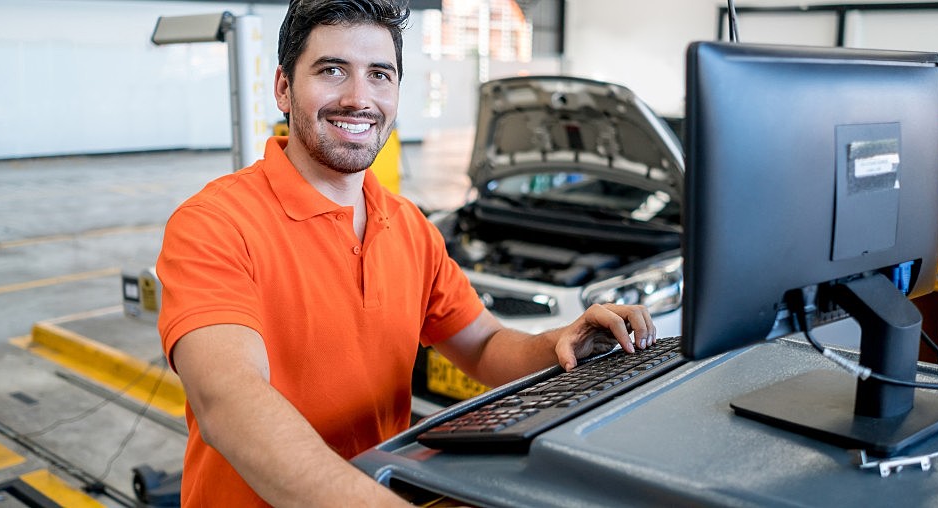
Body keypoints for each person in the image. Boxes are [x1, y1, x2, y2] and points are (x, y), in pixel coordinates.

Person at [156, 0, 658, 505]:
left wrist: (560, 344)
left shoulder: (409, 226)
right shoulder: (214, 224)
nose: (359, 98)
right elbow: (228, 402)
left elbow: (483, 346)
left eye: (380, 75)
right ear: (284, 88)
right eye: (332, 71)